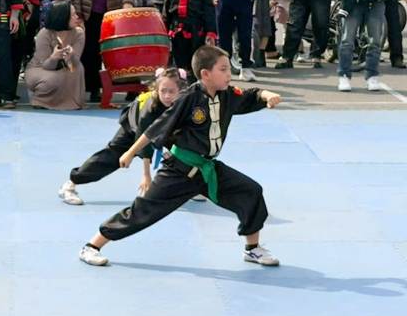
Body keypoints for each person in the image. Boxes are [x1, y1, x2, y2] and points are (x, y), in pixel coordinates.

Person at [79, 45, 282, 268]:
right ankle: (92, 246)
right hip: (179, 170)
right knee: (142, 212)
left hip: (207, 170)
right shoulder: (189, 98)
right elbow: (157, 126)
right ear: (205, 74)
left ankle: (252, 249)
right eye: (223, 69)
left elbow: (249, 95)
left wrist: (266, 94)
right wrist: (130, 152)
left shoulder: (226, 95)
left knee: (251, 192)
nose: (228, 74)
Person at [59, 66, 188, 206]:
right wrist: (146, 175)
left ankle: (192, 187)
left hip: (165, 130)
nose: (167, 96)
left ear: (180, 91)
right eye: (163, 91)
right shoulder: (151, 108)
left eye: (171, 91)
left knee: (188, 148)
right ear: (156, 89)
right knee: (111, 157)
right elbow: (144, 139)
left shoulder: (185, 102)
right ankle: (71, 184)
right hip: (134, 129)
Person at [25, 0, 86, 110]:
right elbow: (45, 65)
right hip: (40, 68)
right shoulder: (44, 33)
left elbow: (74, 63)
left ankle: (71, 102)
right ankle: (39, 100)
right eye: (73, 15)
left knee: (78, 68)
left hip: (66, 68)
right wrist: (54, 58)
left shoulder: (79, 33)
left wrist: (71, 56)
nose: (77, 17)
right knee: (53, 80)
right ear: (63, 17)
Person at [162, 0, 218, 71]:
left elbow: (209, 16)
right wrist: (164, 35)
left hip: (197, 34)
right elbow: (165, 15)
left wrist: (210, 34)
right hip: (176, 34)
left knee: (195, 63)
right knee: (178, 64)